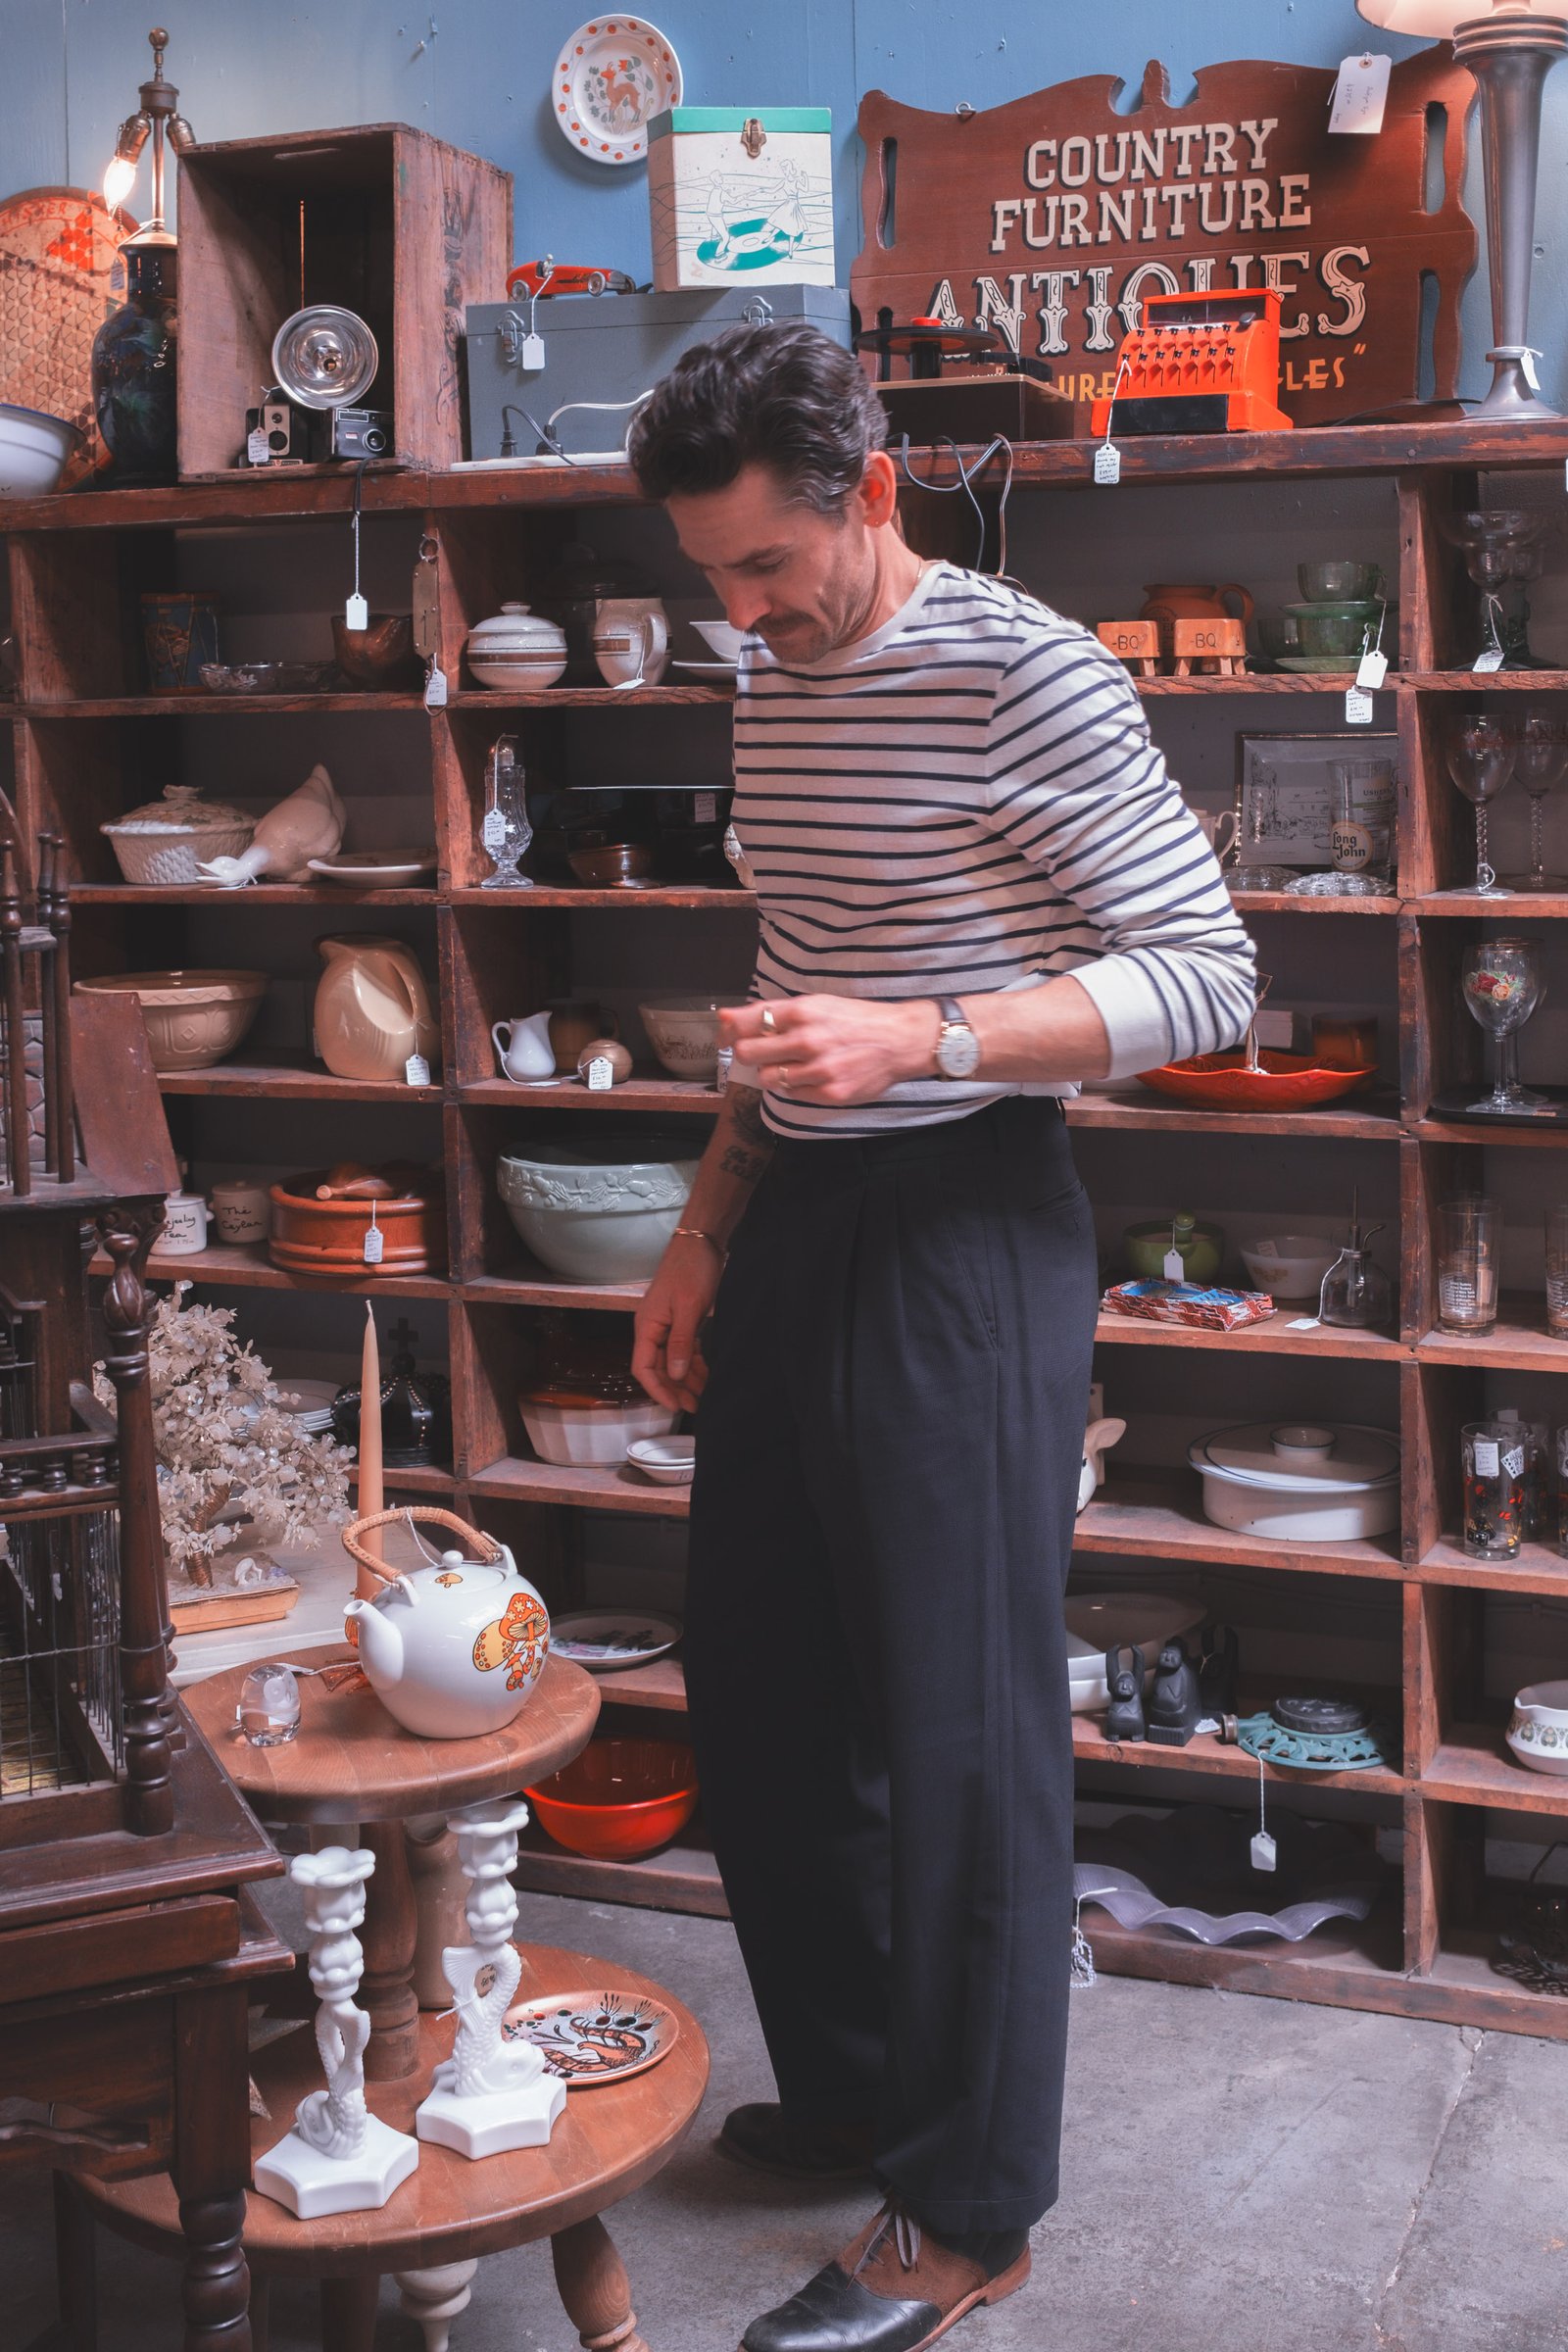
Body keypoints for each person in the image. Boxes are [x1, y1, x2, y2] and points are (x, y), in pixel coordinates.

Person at [626, 320, 1255, 2352]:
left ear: (872, 494)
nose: (739, 609)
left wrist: (932, 1036)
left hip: (969, 1215)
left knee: (961, 1725)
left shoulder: (1022, 673)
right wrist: (702, 1233)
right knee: (761, 1678)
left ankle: (967, 2210)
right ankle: (858, 2091)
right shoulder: (768, 673)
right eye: (709, 573)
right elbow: (794, 959)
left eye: (764, 563)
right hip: (801, 1210)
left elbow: (1208, 976)